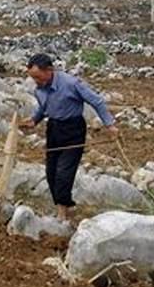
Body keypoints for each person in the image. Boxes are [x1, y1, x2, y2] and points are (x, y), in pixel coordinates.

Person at [19, 53, 118, 221]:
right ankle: (63, 205)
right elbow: (45, 107)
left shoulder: (71, 84)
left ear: (49, 70)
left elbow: (97, 101)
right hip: (54, 129)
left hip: (73, 130)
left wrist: (109, 124)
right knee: (51, 172)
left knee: (64, 172)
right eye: (32, 77)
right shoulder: (40, 89)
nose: (35, 81)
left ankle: (62, 212)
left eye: (37, 76)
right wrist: (34, 120)